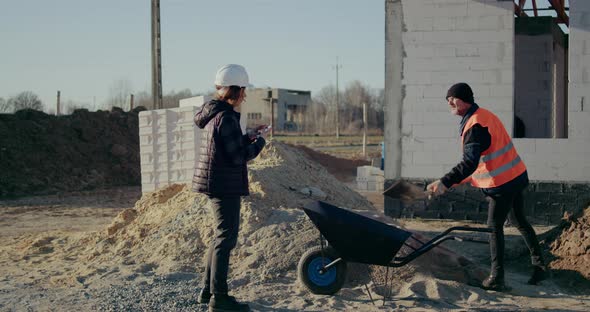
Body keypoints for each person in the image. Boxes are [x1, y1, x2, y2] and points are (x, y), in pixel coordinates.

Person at [426, 82, 546, 291]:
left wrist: (445, 181)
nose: (449, 103)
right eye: (448, 99)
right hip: (516, 176)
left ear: (463, 100)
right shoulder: (483, 115)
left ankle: (497, 278)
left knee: (493, 227)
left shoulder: (474, 125)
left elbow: (470, 163)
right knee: (520, 221)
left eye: (452, 99)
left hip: (503, 184)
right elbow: (480, 163)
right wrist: (448, 183)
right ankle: (540, 267)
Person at [193, 64, 267, 311]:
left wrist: (250, 136)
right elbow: (238, 157)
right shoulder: (226, 117)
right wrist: (261, 144)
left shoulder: (216, 113)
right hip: (224, 185)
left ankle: (208, 291)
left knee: (219, 238)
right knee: (226, 238)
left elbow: (230, 147)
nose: (245, 96)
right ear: (234, 91)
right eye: (243, 91)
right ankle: (220, 298)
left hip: (218, 182)